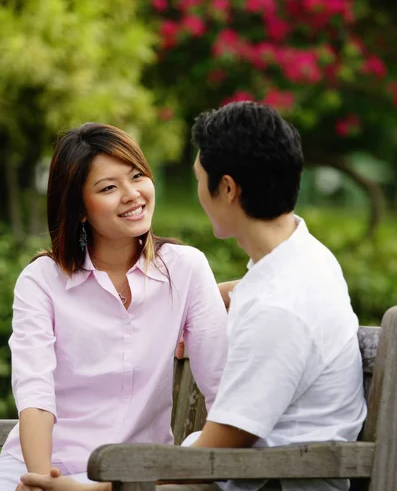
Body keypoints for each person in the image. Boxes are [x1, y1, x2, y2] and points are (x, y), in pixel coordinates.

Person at [20, 102, 367, 491]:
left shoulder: (277, 305)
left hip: (264, 478)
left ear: (227, 189)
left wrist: (96, 490)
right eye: (109, 186)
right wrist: (211, 294)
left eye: (199, 178)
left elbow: (218, 453)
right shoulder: (302, 263)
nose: (134, 194)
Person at [0, 122, 228, 491]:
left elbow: (221, 386)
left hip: (136, 477)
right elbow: (35, 395)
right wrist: (42, 480)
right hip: (47, 466)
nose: (132, 194)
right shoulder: (41, 280)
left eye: (137, 175)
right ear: (79, 210)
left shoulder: (185, 269)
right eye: (108, 187)